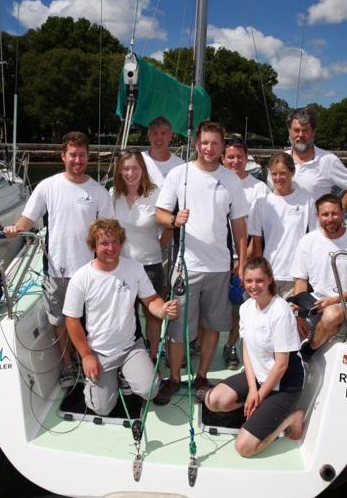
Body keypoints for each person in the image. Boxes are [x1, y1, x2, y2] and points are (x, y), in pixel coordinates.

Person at [4, 131, 113, 386]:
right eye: (73, 155)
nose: (78, 160)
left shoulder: (98, 192)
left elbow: (108, 233)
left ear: (88, 157)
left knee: (90, 319)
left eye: (82, 155)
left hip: (89, 270)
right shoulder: (47, 186)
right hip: (56, 269)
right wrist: (15, 229)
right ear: (63, 156)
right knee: (60, 321)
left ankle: (91, 360)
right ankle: (67, 365)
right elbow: (28, 218)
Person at [154, 120, 249, 404]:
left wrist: (242, 262)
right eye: (204, 142)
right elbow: (159, 214)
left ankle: (202, 376)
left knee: (213, 326)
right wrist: (173, 219)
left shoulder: (231, 179)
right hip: (186, 267)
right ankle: (173, 378)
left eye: (215, 143)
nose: (209, 148)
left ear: (222, 147)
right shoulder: (178, 174)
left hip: (220, 267)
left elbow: (240, 226)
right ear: (197, 144)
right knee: (178, 327)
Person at [63, 219, 179, 416]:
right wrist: (86, 356)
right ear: (93, 246)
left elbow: (151, 299)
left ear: (121, 243)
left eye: (115, 242)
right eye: (104, 243)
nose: (111, 248)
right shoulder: (81, 277)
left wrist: (162, 310)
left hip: (130, 347)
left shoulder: (134, 268)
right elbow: (71, 320)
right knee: (101, 409)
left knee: (149, 391)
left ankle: (128, 373)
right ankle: (110, 378)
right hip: (99, 352)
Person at [204, 257, 305, 457]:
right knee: (212, 400)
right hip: (258, 377)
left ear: (269, 280)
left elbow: (282, 365)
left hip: (283, 384)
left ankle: (290, 419)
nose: (254, 286)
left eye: (259, 280)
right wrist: (252, 389)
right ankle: (258, 409)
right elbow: (247, 350)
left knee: (244, 448)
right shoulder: (246, 307)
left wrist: (259, 395)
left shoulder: (280, 312)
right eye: (249, 281)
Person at [290, 194, 347, 354]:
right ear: (317, 216)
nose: (330, 218)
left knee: (332, 314)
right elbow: (300, 281)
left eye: (334, 213)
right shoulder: (308, 241)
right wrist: (298, 314)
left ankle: (307, 352)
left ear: (342, 213)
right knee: (283, 319)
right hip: (315, 303)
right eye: (325, 214)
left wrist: (334, 300)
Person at [110, 150, 172, 362]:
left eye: (135, 168)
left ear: (143, 170)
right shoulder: (112, 195)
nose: (130, 173)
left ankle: (153, 356)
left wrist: (157, 245)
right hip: (121, 267)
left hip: (150, 266)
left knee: (153, 315)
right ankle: (133, 355)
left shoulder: (156, 195)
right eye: (125, 168)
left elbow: (170, 227)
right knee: (127, 314)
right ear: (119, 171)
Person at [221, 140, 270, 370]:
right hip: (216, 255)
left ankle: (231, 345)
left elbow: (258, 228)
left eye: (239, 156)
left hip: (244, 256)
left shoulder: (258, 188)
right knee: (207, 303)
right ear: (223, 158)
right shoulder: (216, 181)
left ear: (246, 158)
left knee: (238, 307)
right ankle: (196, 342)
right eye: (230, 157)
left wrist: (243, 259)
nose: (235, 161)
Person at [250, 152, 316, 298]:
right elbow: (256, 244)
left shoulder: (307, 201)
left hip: (297, 276)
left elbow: (314, 240)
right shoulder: (260, 202)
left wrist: (309, 274)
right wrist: (260, 274)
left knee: (294, 319)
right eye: (274, 174)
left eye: (283, 173)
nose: (278, 178)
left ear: (292, 172)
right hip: (268, 275)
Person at [284, 108, 347, 209]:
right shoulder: (280, 161)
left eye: (305, 130)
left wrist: (338, 214)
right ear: (289, 132)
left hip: (316, 225)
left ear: (313, 132)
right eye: (296, 130)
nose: (300, 135)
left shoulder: (328, 160)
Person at [141, 116, 184, 188]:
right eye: (155, 133)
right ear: (149, 135)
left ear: (170, 136)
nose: (159, 138)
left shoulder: (180, 165)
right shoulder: (138, 160)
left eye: (163, 133)